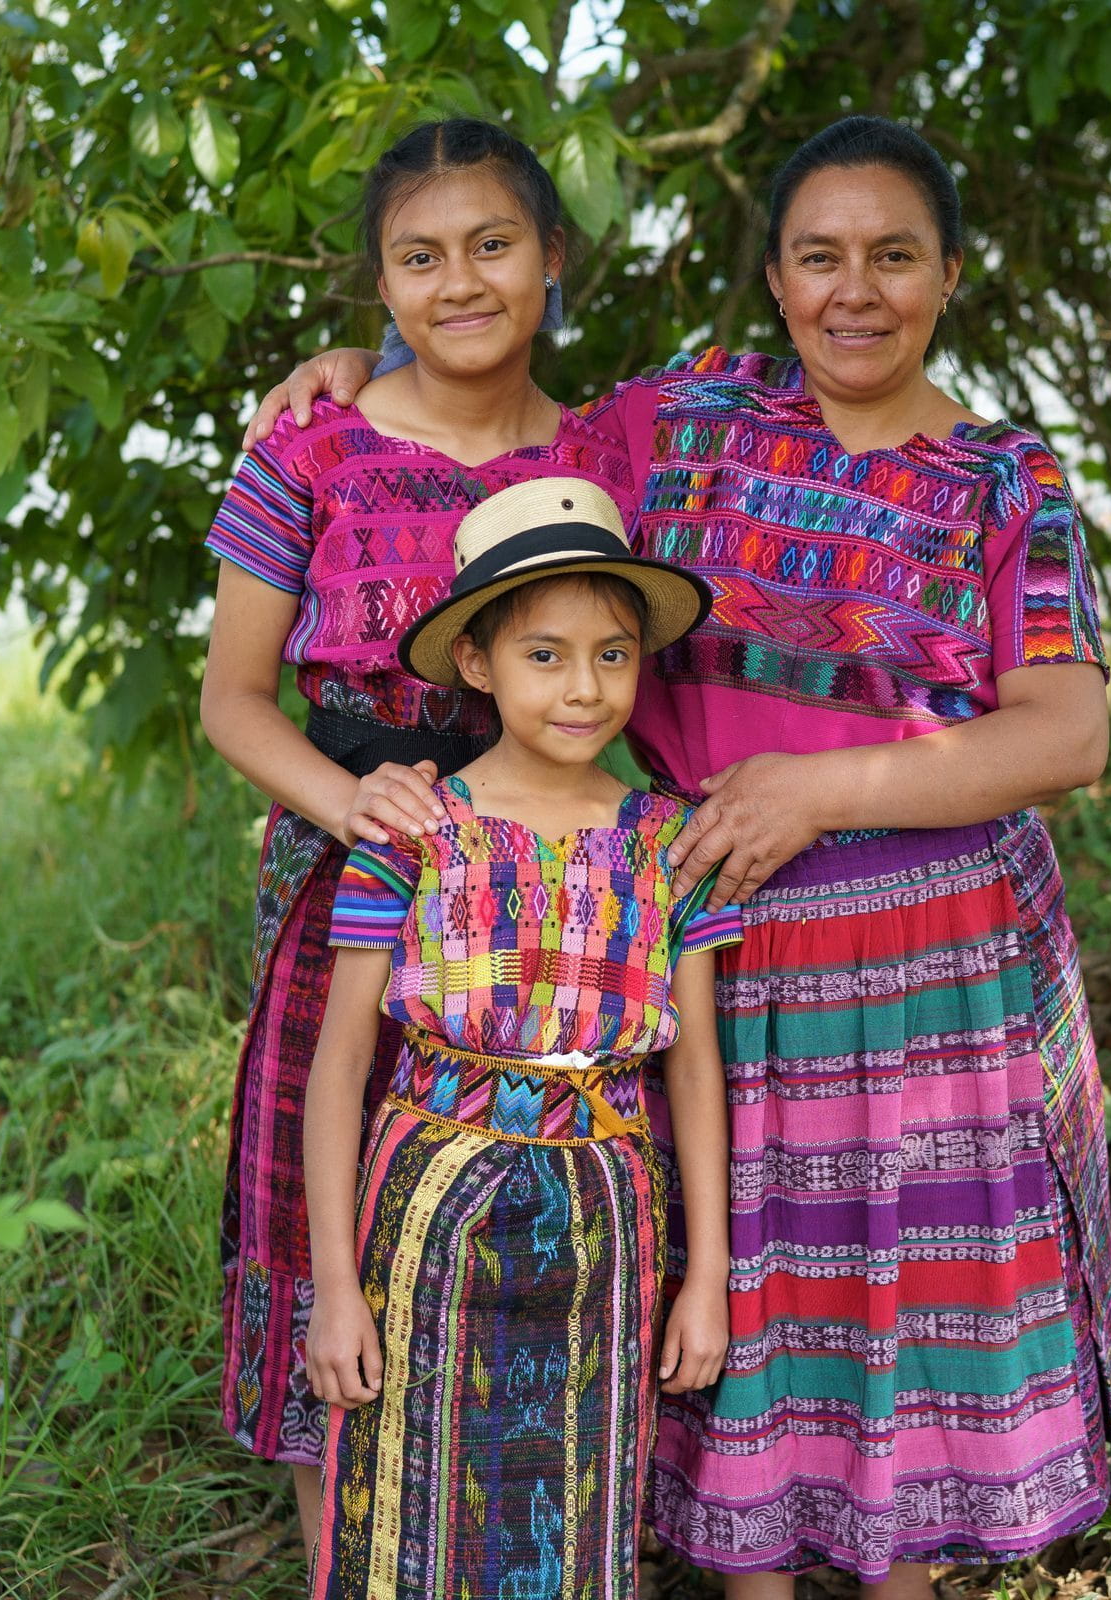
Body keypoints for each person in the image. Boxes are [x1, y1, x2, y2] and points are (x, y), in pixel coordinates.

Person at [252, 115, 1111, 1599]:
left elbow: (1069, 732)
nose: (857, 292)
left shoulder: (1003, 480)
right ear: (776, 280)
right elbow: (500, 446)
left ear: (951, 275)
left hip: (935, 981)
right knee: (746, 1302)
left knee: (905, 1304)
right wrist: (353, 384)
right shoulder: (689, 424)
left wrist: (825, 789)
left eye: (894, 256)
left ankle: (904, 1564)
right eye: (819, 257)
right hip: (701, 946)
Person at [196, 117, 637, 1556]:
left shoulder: (596, 455)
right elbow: (233, 702)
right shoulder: (312, 449)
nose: (460, 283)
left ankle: (509, 1546)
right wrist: (355, 809)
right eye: (419, 257)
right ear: (378, 286)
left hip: (544, 905)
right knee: (332, 1219)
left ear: (552, 259)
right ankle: (341, 1559)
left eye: (493, 245)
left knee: (506, 1219)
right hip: (352, 879)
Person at [301, 477, 737, 1598]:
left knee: (574, 1505)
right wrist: (337, 1287)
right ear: (479, 664)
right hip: (430, 1201)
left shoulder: (669, 840)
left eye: (613, 653)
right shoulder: (413, 826)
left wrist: (710, 1276)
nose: (585, 687)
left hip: (608, 1214)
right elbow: (342, 1064)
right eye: (545, 655)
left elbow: (693, 1065)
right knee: (410, 1496)